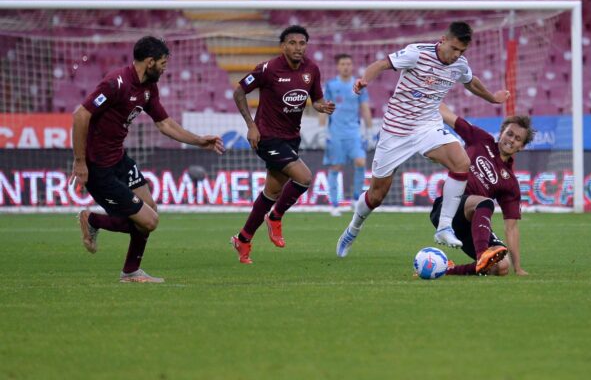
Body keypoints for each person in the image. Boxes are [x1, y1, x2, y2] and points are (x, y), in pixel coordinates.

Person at [336, 21, 509, 257]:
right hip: (396, 131)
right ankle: (353, 228)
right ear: (443, 40)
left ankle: (444, 226)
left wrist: (492, 98)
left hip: (427, 126)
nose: (456, 55)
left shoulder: (459, 64)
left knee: (461, 162)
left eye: (462, 51)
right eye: (454, 49)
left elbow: (471, 81)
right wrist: (365, 79)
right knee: (376, 195)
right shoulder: (416, 53)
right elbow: (382, 63)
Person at [71, 36, 224, 283]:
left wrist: (199, 141)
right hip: (99, 168)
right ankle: (92, 219)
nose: (165, 68)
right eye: (163, 63)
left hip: (119, 159)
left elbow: (164, 123)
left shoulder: (148, 88)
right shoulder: (116, 83)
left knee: (150, 209)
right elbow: (80, 116)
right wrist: (80, 162)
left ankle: (130, 272)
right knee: (149, 222)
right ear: (150, 61)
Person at [230, 25, 335, 264]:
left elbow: (316, 100)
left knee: (272, 192)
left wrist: (322, 107)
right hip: (267, 137)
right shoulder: (268, 69)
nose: (298, 48)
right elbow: (239, 92)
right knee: (304, 177)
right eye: (292, 43)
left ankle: (243, 239)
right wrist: (251, 125)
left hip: (291, 138)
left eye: (302, 43)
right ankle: (275, 217)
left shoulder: (312, 69)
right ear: (283, 46)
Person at [428, 104, 533, 276]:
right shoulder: (481, 139)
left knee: (501, 266)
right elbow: (449, 116)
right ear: (502, 132)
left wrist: (518, 268)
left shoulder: (511, 183)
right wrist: (430, 97)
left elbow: (511, 227)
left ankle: (446, 269)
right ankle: (482, 255)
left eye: (518, 139)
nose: (511, 139)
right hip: (447, 209)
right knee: (484, 202)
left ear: (521, 146)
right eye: (509, 133)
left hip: (473, 226)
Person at [318, 53, 373, 217]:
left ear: (352, 66)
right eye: (343, 64)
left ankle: (356, 199)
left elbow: (364, 107)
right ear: (338, 66)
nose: (346, 67)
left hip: (354, 133)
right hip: (336, 133)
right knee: (335, 167)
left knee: (361, 161)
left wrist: (369, 132)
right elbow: (323, 108)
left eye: (348, 64)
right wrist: (322, 132)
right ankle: (334, 204)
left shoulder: (359, 85)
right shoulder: (331, 85)